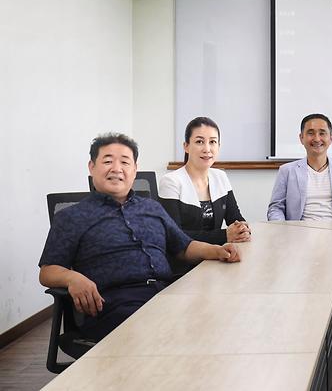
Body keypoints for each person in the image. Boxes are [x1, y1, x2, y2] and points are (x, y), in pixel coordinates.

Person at [39, 133, 241, 342]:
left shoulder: (151, 208)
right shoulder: (72, 217)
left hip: (165, 295)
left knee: (218, 317)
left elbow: (183, 246)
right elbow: (48, 271)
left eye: (125, 162)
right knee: (171, 333)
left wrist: (217, 250)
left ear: (134, 170)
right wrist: (73, 278)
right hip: (114, 305)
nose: (116, 168)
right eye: (107, 161)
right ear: (92, 167)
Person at [267, 113, 332, 359]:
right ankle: (303, 333)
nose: (317, 138)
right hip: (299, 240)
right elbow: (275, 208)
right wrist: (284, 231)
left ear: (331, 138)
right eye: (310, 133)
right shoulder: (288, 171)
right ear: (301, 138)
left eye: (322, 133)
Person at [159, 117, 251, 245]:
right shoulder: (171, 182)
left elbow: (234, 218)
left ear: (218, 146)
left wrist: (242, 229)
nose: (207, 149)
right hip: (186, 262)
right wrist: (224, 235)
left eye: (212, 142)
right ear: (186, 146)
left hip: (217, 256)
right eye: (199, 142)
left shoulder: (221, 177)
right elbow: (174, 236)